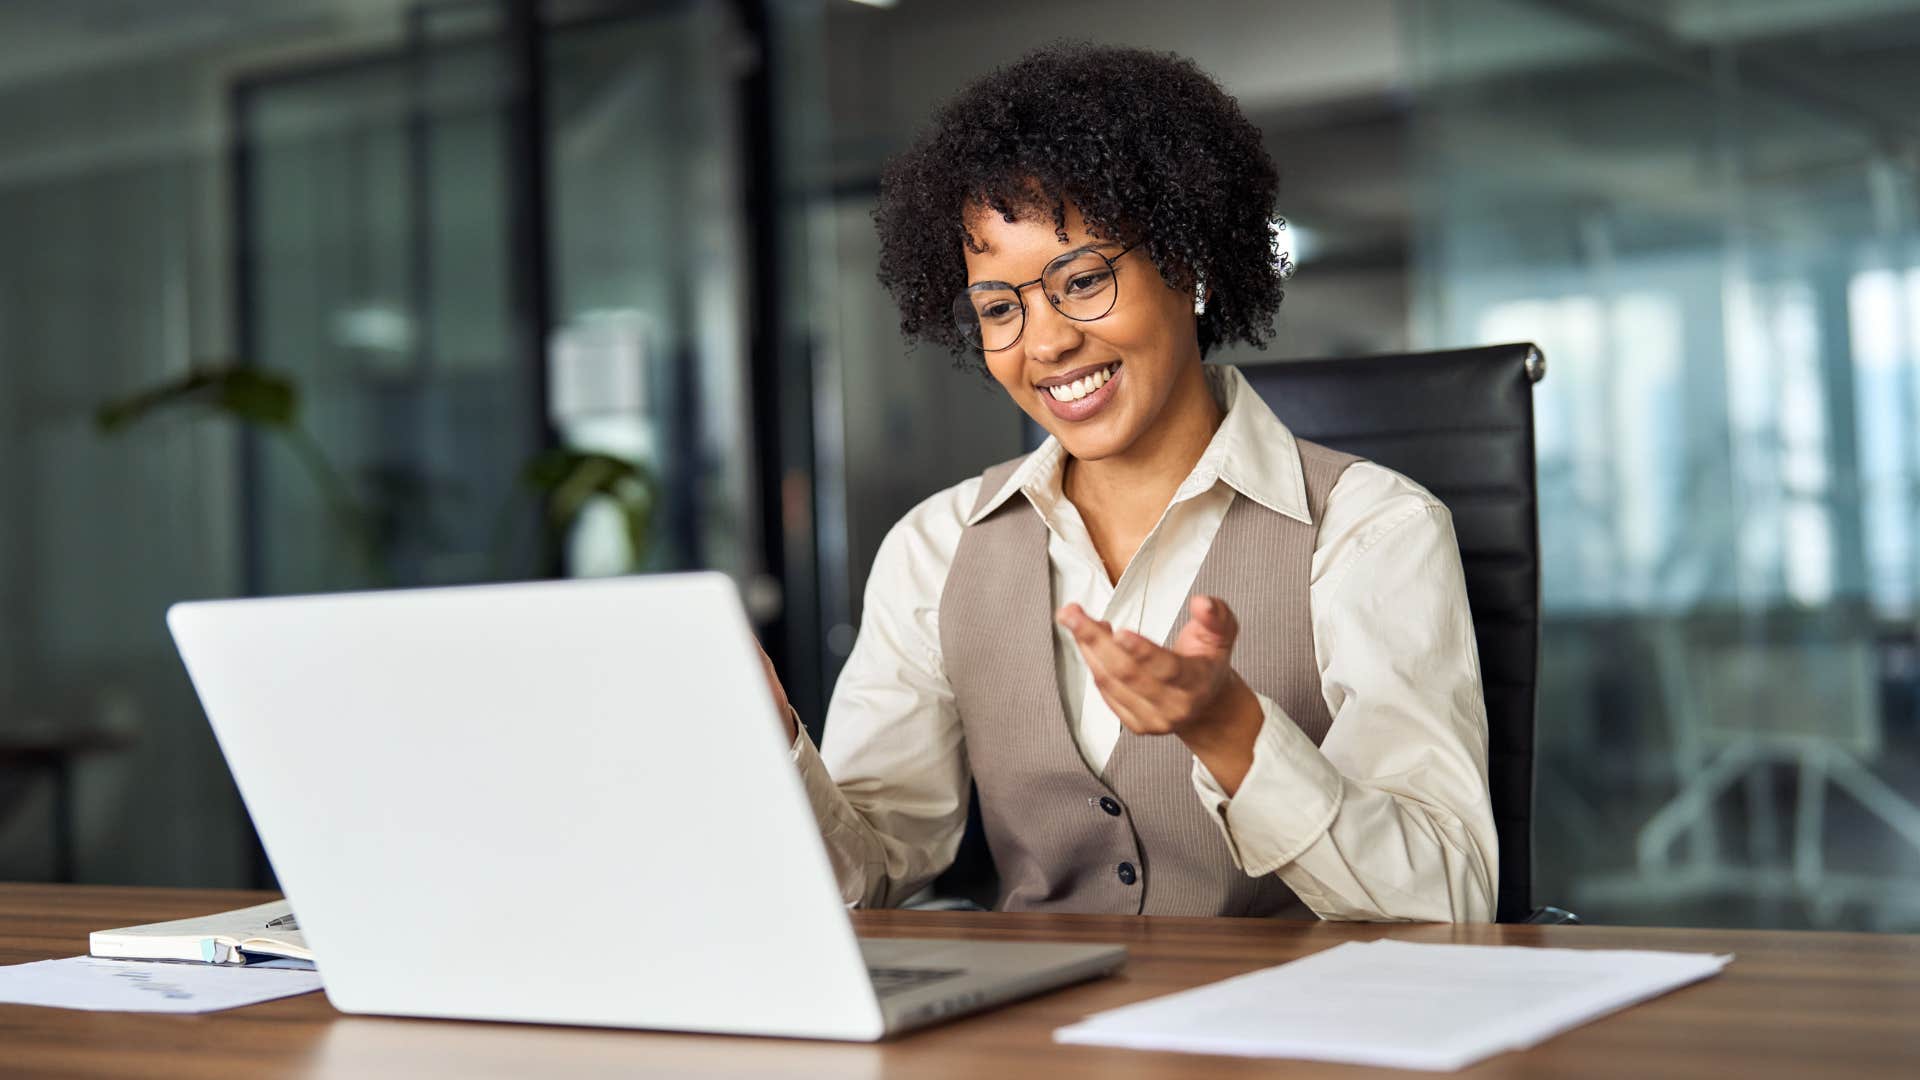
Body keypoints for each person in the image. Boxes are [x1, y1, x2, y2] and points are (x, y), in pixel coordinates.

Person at [757, 42, 1497, 922]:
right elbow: (870, 875)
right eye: (1000, 307)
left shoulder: (1373, 529)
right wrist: (773, 747)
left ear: (1190, 266)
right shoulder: (937, 546)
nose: (1045, 344)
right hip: (1036, 1045)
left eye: (1082, 280)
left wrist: (1231, 732)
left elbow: (1450, 904)